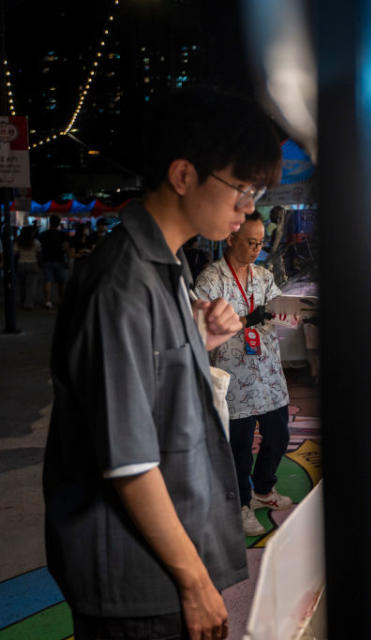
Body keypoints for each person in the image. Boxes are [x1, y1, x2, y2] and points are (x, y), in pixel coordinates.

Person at [43, 87, 281, 640]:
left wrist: (197, 333)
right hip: (135, 576)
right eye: (241, 190)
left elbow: (150, 381)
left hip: (160, 558)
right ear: (182, 175)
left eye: (255, 193)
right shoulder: (122, 284)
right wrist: (195, 581)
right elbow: (129, 461)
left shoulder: (165, 264)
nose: (248, 210)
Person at [195, 213, 293, 537]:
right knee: (238, 449)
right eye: (250, 242)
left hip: (268, 374)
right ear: (231, 239)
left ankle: (264, 488)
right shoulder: (210, 280)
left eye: (260, 243)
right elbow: (204, 327)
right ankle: (241, 506)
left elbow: (280, 311)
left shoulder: (263, 276)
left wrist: (298, 312)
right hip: (233, 378)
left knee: (279, 437)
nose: (256, 249)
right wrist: (249, 318)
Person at [38, 215, 71, 308]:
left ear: (50, 223)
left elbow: (39, 249)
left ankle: (48, 301)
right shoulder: (63, 234)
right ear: (58, 223)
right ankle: (61, 300)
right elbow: (66, 247)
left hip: (47, 259)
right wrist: (68, 260)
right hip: (60, 259)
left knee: (48, 281)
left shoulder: (43, 234)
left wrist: (40, 260)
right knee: (62, 282)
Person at [14, 225, 42, 309]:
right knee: (31, 285)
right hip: (33, 264)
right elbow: (39, 253)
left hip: (21, 264)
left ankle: (22, 302)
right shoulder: (36, 242)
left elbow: (14, 253)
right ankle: (29, 304)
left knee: (21, 285)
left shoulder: (18, 242)